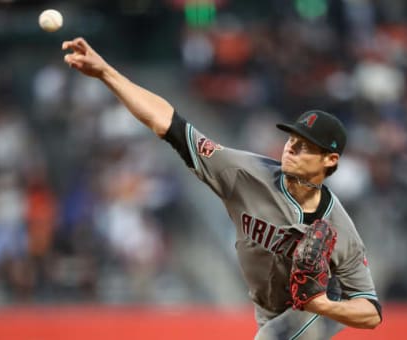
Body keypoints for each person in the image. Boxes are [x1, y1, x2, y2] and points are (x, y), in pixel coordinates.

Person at [62, 37, 382, 339]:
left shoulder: (336, 224)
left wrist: (323, 305)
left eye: (305, 146)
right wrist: (106, 73)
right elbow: (169, 123)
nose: (291, 148)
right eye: (291, 139)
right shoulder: (244, 173)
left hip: (315, 314)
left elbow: (370, 311)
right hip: (272, 314)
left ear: (329, 160)